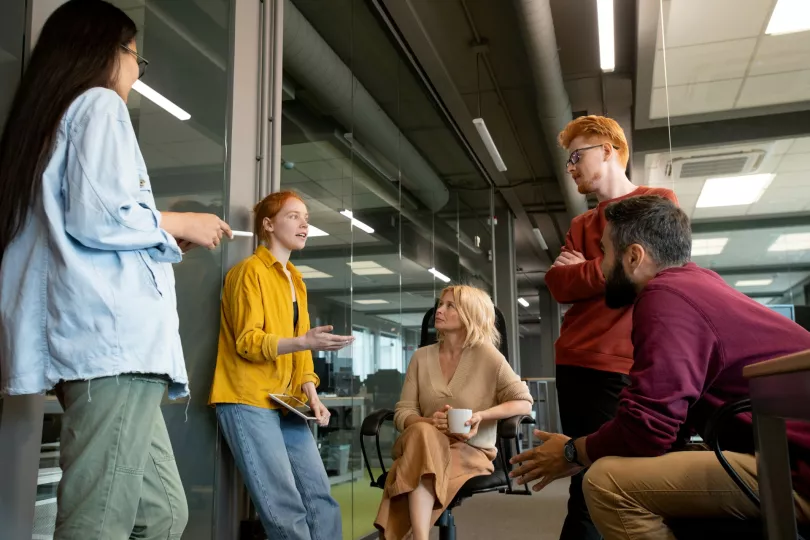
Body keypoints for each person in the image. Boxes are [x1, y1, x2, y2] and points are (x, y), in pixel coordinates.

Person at [0, 1, 232, 538]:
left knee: (161, 515)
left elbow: (84, 223)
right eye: (135, 56)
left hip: (105, 349)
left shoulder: (50, 122)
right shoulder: (99, 104)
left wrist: (158, 233)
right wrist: (180, 221)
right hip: (113, 348)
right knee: (98, 522)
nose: (135, 69)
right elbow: (99, 213)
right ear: (110, 50)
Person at [509, 195, 810, 539]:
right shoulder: (699, 283)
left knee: (606, 483)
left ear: (634, 256)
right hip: (782, 453)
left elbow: (648, 428)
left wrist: (571, 451)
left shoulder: (665, 297)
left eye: (605, 253)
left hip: (793, 470)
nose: (603, 268)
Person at [545, 115, 678, 540]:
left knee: (638, 481)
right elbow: (557, 284)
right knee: (589, 482)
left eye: (576, 156)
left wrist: (586, 269)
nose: (571, 168)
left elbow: (651, 266)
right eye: (568, 162)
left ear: (607, 149)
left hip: (634, 361)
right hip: (580, 362)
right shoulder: (581, 224)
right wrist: (608, 268)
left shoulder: (657, 199)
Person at [209, 190, 353, 540]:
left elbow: (301, 352)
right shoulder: (248, 273)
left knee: (320, 499)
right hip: (247, 400)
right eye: (293, 216)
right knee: (284, 508)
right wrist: (305, 341)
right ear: (268, 225)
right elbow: (248, 342)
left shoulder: (296, 281)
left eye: (306, 218)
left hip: (287, 402)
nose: (304, 224)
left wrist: (312, 395)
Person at [375, 285, 533, 540]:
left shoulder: (487, 355)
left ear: (470, 314)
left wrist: (482, 416)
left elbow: (523, 402)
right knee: (424, 436)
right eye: (440, 304)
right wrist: (429, 422)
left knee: (417, 464)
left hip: (468, 450)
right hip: (421, 443)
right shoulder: (420, 357)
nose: (440, 310)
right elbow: (403, 412)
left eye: (450, 306)